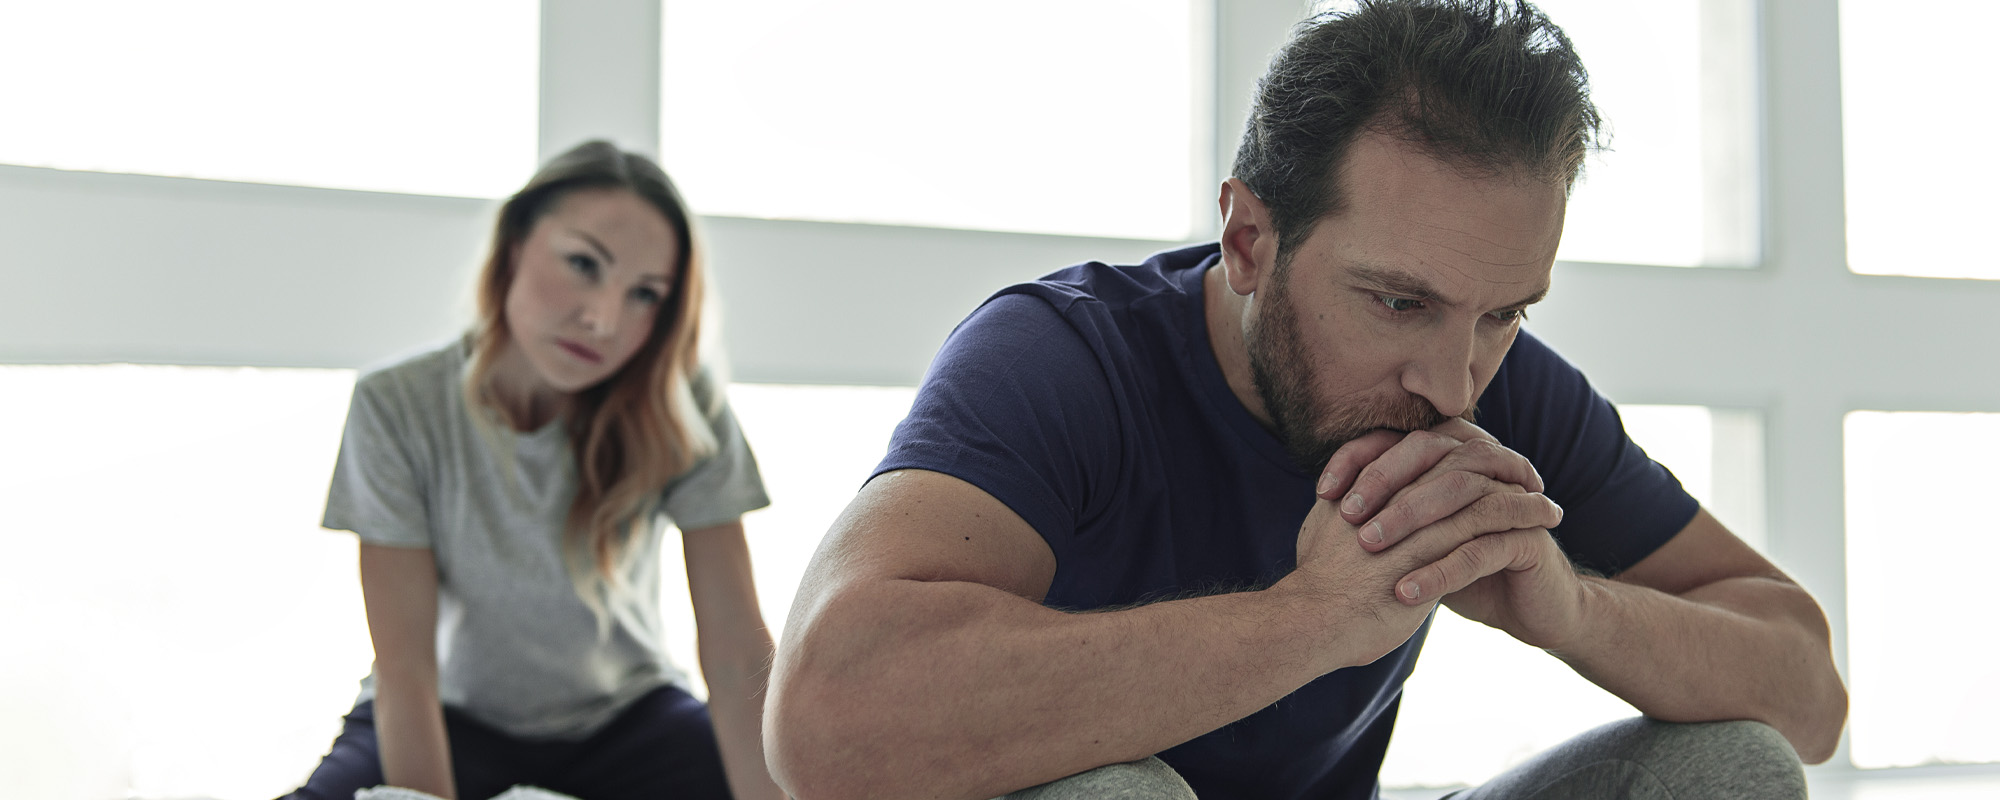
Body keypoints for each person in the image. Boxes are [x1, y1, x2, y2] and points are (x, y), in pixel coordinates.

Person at [764, 2, 1847, 799]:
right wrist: (1313, 617)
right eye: (1395, 300)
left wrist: (1568, 606)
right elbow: (826, 724)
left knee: (1726, 764)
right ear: (1247, 240)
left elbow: (1806, 695)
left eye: (1504, 310)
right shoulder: (1062, 359)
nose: (1452, 379)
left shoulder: (1496, 383)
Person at [287, 141, 784, 800]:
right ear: (515, 244)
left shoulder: (683, 407)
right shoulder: (396, 405)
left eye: (645, 295)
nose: (603, 319)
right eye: (583, 264)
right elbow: (406, 670)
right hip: (445, 714)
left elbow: (736, 655)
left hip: (628, 722)